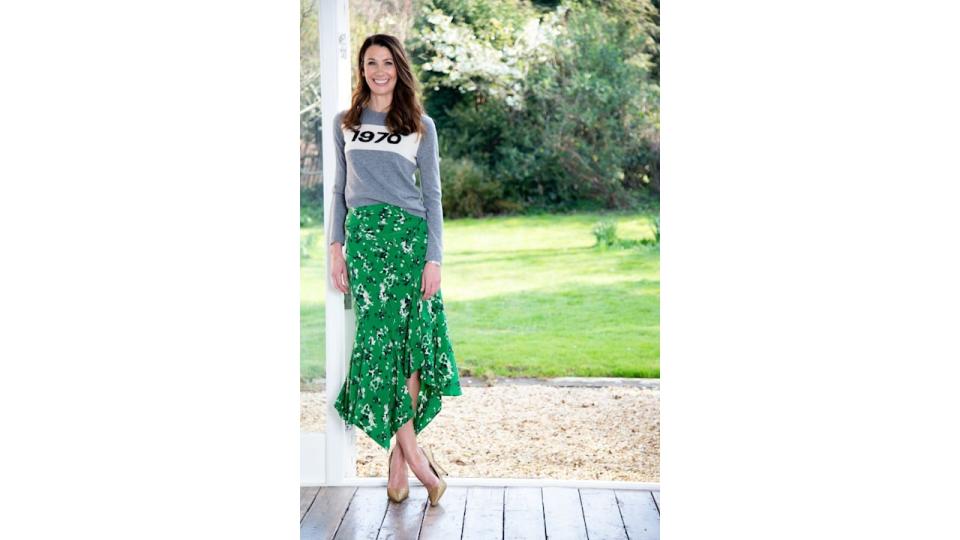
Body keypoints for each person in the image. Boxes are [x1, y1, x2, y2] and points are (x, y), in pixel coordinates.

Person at [327, 34, 462, 507]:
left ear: (398, 68)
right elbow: (341, 190)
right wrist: (335, 246)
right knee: (379, 344)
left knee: (409, 346)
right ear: (362, 69)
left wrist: (435, 257)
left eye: (386, 62)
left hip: (409, 242)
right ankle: (419, 462)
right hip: (365, 245)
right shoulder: (345, 125)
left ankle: (401, 464)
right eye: (370, 63)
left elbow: (433, 198)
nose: (378, 70)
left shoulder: (420, 126)